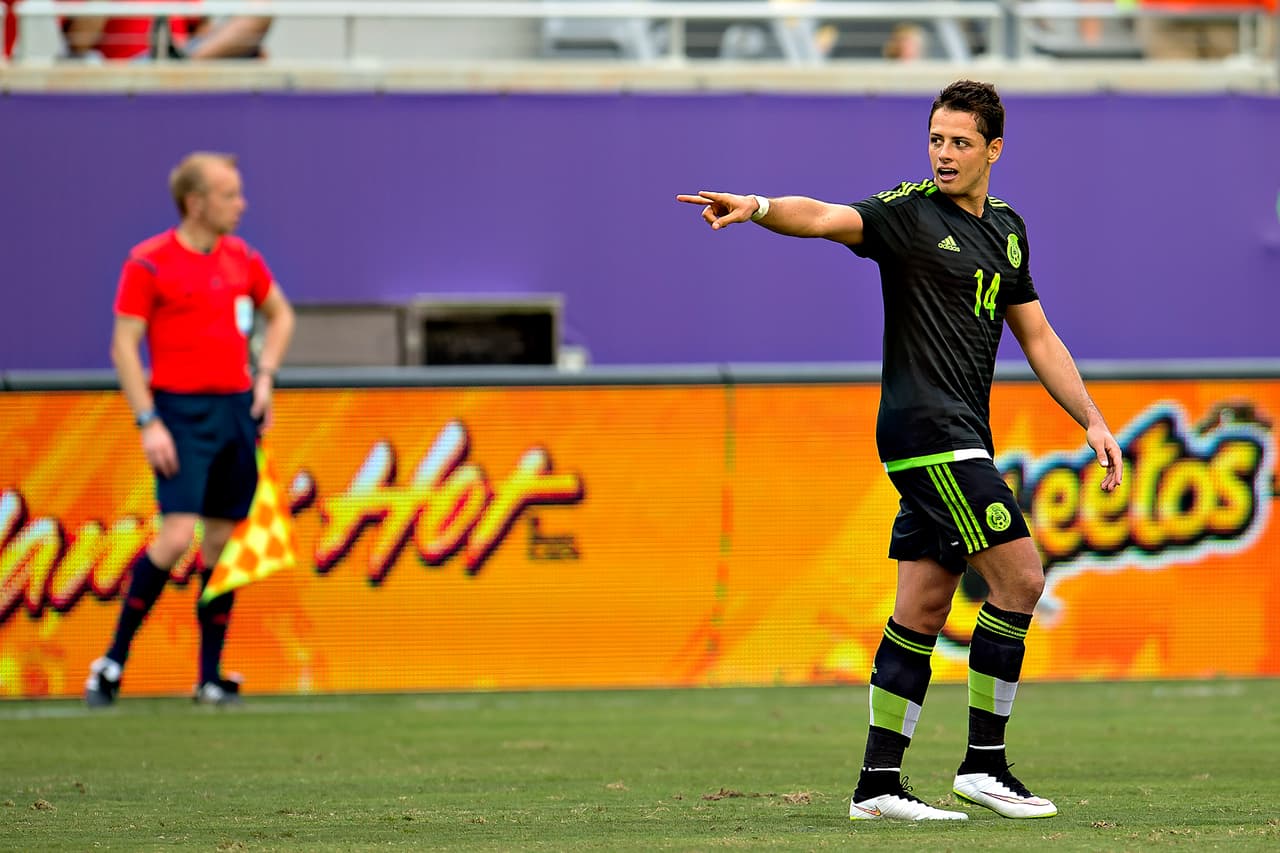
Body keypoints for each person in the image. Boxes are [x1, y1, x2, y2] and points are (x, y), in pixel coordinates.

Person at [677, 79, 1124, 822]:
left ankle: (877, 785)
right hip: (928, 433)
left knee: (921, 606)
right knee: (1020, 578)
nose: (944, 154)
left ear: (994, 149)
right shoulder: (909, 215)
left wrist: (1093, 419)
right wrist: (755, 208)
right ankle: (985, 766)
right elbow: (823, 217)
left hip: (959, 435)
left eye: (959, 142)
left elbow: (1038, 336)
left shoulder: (1007, 229)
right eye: (936, 139)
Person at [84, 151, 295, 708]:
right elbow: (123, 345)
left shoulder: (242, 258)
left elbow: (282, 314)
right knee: (177, 535)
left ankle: (209, 675)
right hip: (178, 413)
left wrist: (265, 377)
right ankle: (111, 663)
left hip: (235, 410)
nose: (241, 204)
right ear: (195, 202)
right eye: (230, 194)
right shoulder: (149, 262)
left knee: (222, 541)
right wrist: (148, 421)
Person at [61, 0, 272, 61]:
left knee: (261, 8)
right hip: (130, 68)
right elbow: (79, 44)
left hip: (185, 57)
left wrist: (241, 49)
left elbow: (200, 31)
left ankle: (181, 59)